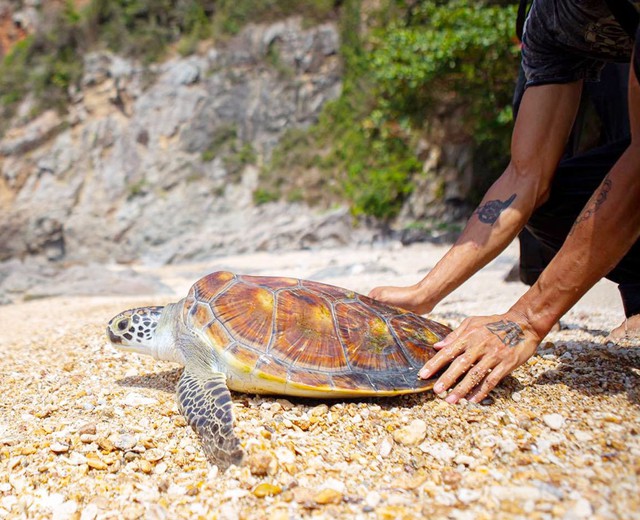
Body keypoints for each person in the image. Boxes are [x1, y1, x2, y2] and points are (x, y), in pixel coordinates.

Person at [368, 0, 640, 405]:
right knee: (554, 204)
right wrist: (425, 291)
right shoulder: (551, 18)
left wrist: (526, 320)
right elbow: (524, 177)